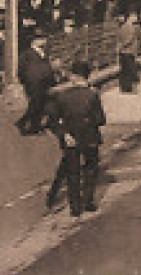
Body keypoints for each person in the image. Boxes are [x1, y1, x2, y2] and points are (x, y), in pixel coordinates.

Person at [44, 58, 107, 217]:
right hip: (90, 137)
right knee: (90, 169)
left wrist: (64, 134)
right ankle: (88, 201)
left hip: (70, 138)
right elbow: (101, 119)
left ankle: (75, 207)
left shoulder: (62, 97)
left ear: (73, 77)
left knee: (72, 172)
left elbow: (51, 121)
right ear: (87, 77)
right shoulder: (92, 95)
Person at [15, 36, 57, 133]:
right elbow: (21, 69)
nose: (44, 41)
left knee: (39, 104)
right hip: (34, 83)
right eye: (41, 39)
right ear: (35, 41)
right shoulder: (26, 54)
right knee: (36, 103)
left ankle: (30, 124)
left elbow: (47, 67)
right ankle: (28, 124)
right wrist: (25, 81)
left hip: (45, 82)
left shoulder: (44, 53)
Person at [116, 12, 141, 93]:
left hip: (128, 51)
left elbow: (130, 38)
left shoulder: (129, 27)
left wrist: (121, 46)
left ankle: (130, 88)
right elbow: (122, 39)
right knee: (127, 70)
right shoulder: (123, 27)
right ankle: (127, 88)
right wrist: (120, 47)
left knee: (129, 70)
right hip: (126, 52)